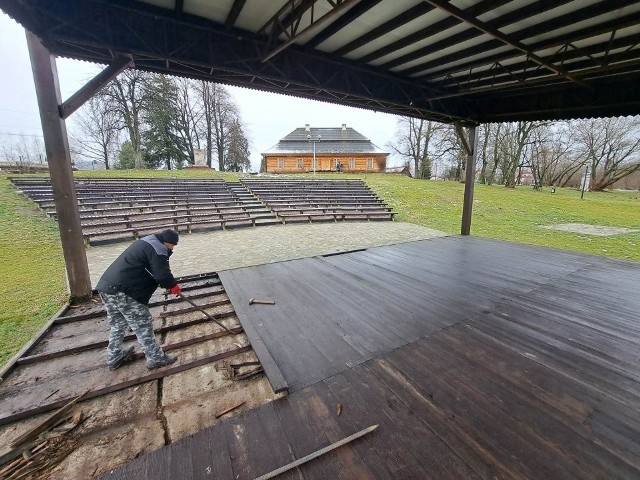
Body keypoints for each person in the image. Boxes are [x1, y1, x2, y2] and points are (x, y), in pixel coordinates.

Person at [96, 229, 182, 370]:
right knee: (142, 325)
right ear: (167, 242)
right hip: (125, 292)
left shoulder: (147, 241)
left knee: (118, 324)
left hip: (106, 287)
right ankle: (155, 358)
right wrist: (173, 285)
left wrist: (166, 283)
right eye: (172, 246)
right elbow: (162, 275)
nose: (172, 249)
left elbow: (149, 269)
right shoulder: (159, 248)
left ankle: (114, 356)